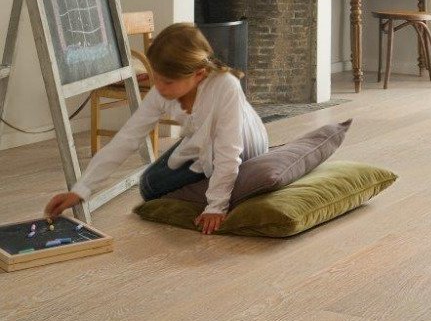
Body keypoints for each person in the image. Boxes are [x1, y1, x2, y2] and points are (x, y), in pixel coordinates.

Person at [45, 23, 269, 234]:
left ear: (199, 74)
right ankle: (210, 186)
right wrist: (81, 190)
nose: (159, 87)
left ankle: (222, 190)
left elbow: (228, 153)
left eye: (168, 82)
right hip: (201, 144)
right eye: (156, 78)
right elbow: (127, 138)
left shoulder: (225, 86)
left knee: (210, 170)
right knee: (149, 185)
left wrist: (216, 206)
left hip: (244, 147)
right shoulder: (162, 91)